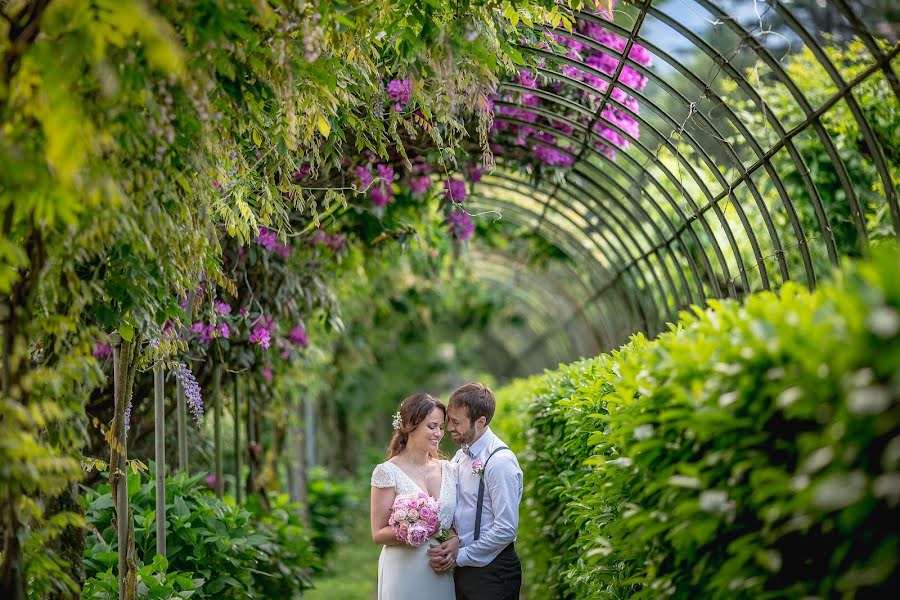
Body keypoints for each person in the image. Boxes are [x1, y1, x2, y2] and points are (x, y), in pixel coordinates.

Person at [428, 382, 523, 600]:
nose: (448, 427)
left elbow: (506, 529)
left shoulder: (500, 462)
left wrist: (459, 556)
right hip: (464, 571)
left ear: (480, 422)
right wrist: (453, 539)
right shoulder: (461, 456)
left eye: (455, 421)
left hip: (494, 573)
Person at [370, 393, 458, 600]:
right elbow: (378, 533)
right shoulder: (387, 472)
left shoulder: (450, 469)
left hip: (439, 570)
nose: (438, 433)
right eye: (432, 426)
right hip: (403, 571)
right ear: (410, 425)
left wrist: (455, 541)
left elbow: (451, 522)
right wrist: (423, 529)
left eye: (441, 427)